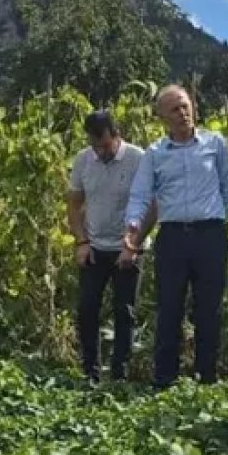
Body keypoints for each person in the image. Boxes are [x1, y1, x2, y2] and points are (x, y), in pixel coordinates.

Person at [124, 84, 228, 389]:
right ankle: (165, 380)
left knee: (209, 309)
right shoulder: (155, 153)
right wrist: (133, 227)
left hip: (209, 236)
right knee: (169, 308)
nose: (183, 113)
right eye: (174, 109)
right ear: (162, 116)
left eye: (185, 105)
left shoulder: (215, 144)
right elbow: (140, 194)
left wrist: (216, 218)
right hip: (173, 237)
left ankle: (206, 379)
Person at [67, 110, 155, 383]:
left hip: (128, 248)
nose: (100, 151)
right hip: (95, 247)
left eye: (104, 145)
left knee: (123, 311)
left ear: (117, 136)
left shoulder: (138, 159)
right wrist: (81, 241)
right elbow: (74, 203)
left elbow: (152, 206)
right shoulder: (84, 160)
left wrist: (133, 244)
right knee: (87, 308)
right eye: (95, 145)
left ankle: (120, 375)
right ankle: (90, 372)